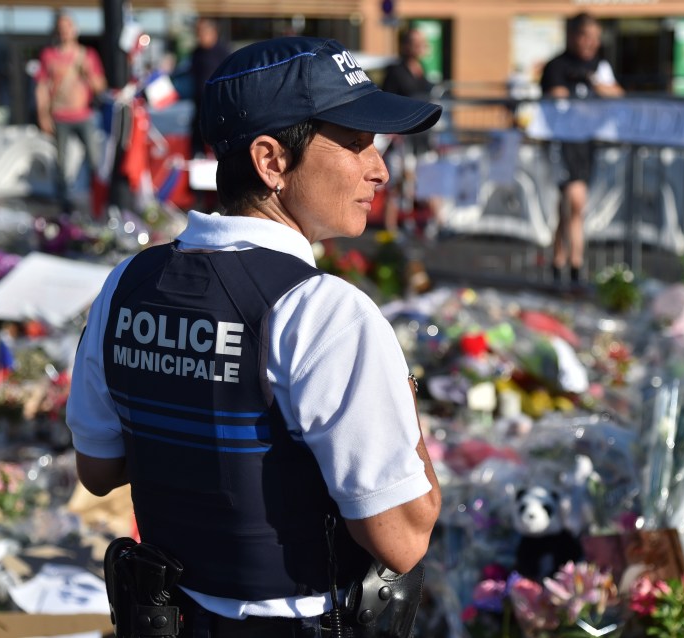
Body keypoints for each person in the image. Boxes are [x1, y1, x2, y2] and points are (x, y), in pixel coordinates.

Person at [66, 36, 442, 637]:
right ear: (271, 162)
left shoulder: (128, 285)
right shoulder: (325, 311)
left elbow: (99, 468)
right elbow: (402, 537)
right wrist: (405, 398)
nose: (379, 168)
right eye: (353, 142)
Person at [540, 12, 623, 286]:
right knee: (574, 202)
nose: (591, 43)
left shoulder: (599, 65)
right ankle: (574, 266)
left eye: (595, 38)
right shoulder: (557, 65)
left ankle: (561, 264)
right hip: (562, 143)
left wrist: (596, 86)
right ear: (574, 35)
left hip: (586, 143)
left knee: (571, 209)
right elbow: (556, 97)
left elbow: (617, 94)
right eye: (586, 36)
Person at [34, 11, 107, 215]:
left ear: (74, 29)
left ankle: (98, 201)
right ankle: (64, 208)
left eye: (68, 26)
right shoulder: (48, 55)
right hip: (60, 116)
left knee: (95, 161)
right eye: (61, 27)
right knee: (61, 163)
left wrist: (88, 73)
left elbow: (100, 87)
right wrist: (43, 115)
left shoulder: (87, 55)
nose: (65, 31)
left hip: (83, 116)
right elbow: (41, 88)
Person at [380, 28, 435, 232]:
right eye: (415, 41)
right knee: (398, 184)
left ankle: (429, 224)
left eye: (421, 41)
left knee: (425, 182)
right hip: (402, 137)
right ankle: (390, 230)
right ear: (405, 45)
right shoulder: (396, 70)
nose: (419, 45)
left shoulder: (422, 69)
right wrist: (393, 130)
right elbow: (386, 101)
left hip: (422, 137)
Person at [189, 17, 230, 158]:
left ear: (213, 33)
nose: (200, 37)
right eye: (198, 33)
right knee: (197, 130)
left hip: (218, 102)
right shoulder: (196, 53)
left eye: (202, 32)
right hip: (199, 101)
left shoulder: (222, 52)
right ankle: (197, 156)